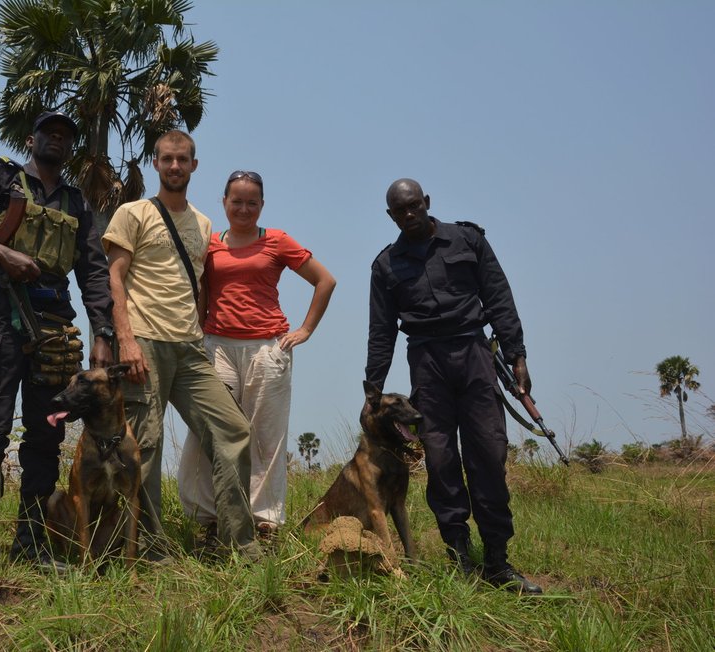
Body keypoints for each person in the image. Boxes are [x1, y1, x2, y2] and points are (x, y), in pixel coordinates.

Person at [0, 110, 114, 571]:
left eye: (65, 136)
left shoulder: (76, 203)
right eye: (49, 133)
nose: (56, 140)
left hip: (54, 328)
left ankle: (30, 546)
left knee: (46, 435)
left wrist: (103, 334)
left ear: (70, 147)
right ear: (31, 139)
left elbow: (94, 272)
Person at [365, 178, 543, 594]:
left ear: (426, 202)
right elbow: (381, 330)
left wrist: (517, 355)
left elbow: (499, 297)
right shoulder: (386, 265)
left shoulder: (467, 239)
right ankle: (461, 561)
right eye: (399, 211)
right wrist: (373, 389)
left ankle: (497, 563)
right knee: (441, 463)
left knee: (488, 454)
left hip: (475, 355)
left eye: (414, 206)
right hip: (426, 362)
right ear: (390, 216)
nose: (409, 215)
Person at [101, 130, 263, 561]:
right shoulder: (132, 213)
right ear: (155, 163)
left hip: (190, 347)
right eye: (167, 159)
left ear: (194, 165)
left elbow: (197, 287)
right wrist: (126, 341)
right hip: (145, 343)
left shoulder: (204, 223)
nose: (175, 166)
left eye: (183, 159)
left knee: (233, 430)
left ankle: (240, 546)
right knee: (146, 447)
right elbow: (114, 278)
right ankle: (149, 552)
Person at [177, 170, 336, 539]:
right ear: (224, 202)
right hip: (217, 347)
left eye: (252, 202)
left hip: (268, 348)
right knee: (209, 433)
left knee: (266, 437)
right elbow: (200, 290)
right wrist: (197, 334)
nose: (244, 209)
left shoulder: (277, 241)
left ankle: (263, 521)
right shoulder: (210, 243)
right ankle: (209, 519)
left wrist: (305, 330)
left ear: (262, 205)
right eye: (237, 201)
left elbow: (324, 280)